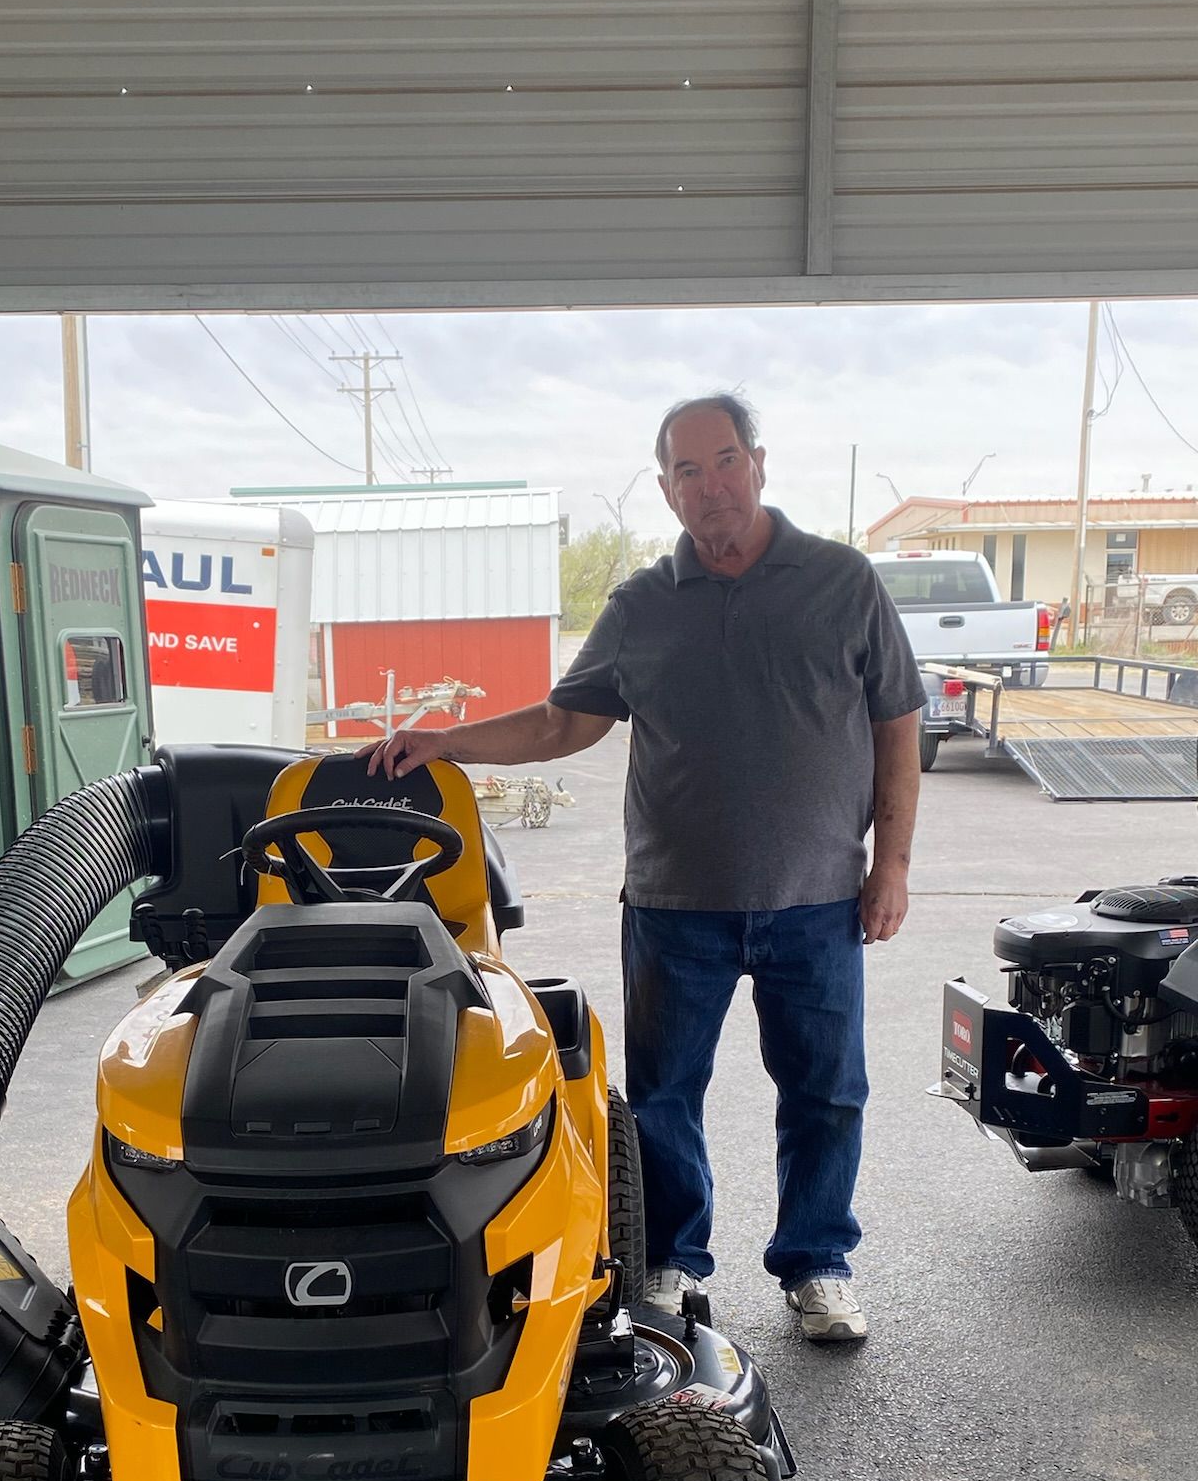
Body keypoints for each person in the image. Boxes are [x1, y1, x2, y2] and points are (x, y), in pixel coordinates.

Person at [368, 393, 925, 1342]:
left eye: (724, 461)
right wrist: (446, 741)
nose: (711, 486)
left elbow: (897, 725)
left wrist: (892, 866)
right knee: (665, 1095)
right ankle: (671, 1258)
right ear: (666, 491)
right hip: (676, 905)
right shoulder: (639, 606)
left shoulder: (842, 581)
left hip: (817, 898)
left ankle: (817, 1261)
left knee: (827, 1091)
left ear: (759, 460)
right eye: (686, 471)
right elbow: (560, 721)